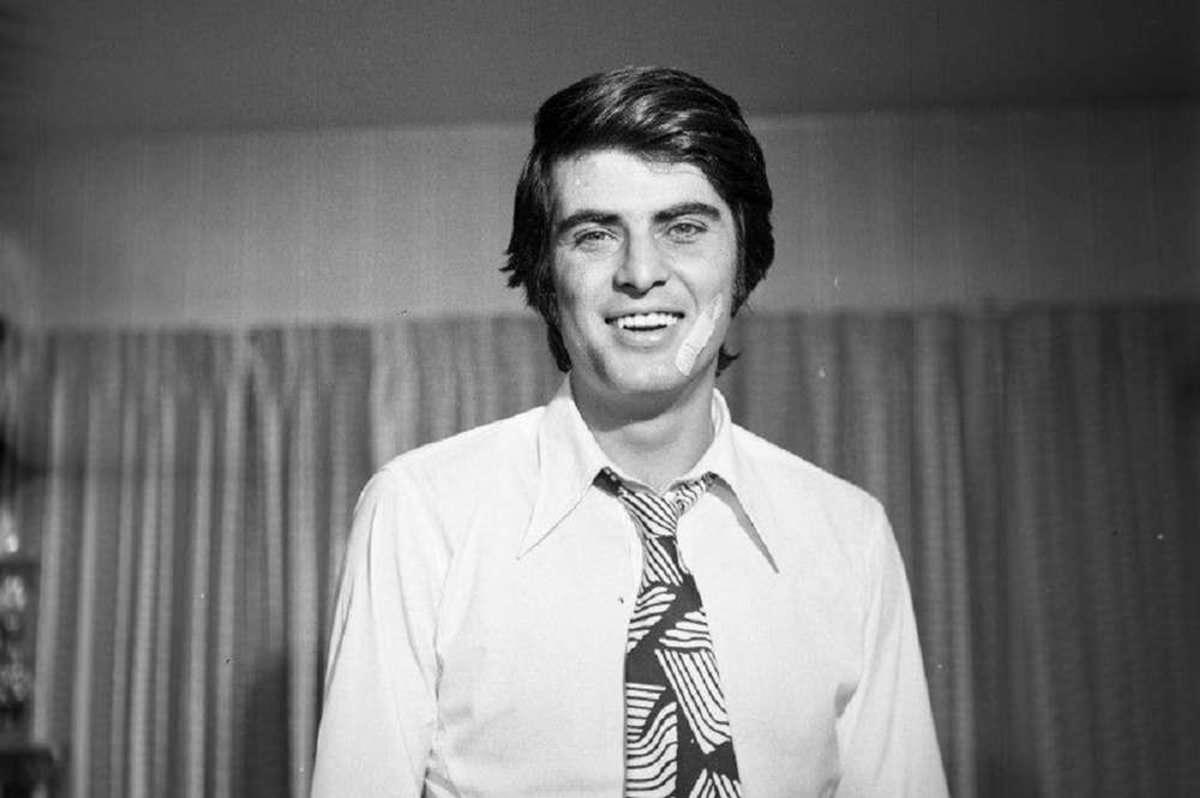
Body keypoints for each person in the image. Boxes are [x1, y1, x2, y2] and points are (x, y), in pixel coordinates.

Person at [311, 66, 948, 797]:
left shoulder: (851, 537)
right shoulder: (421, 515)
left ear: (743, 261)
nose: (641, 272)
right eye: (594, 235)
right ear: (547, 275)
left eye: (684, 228)